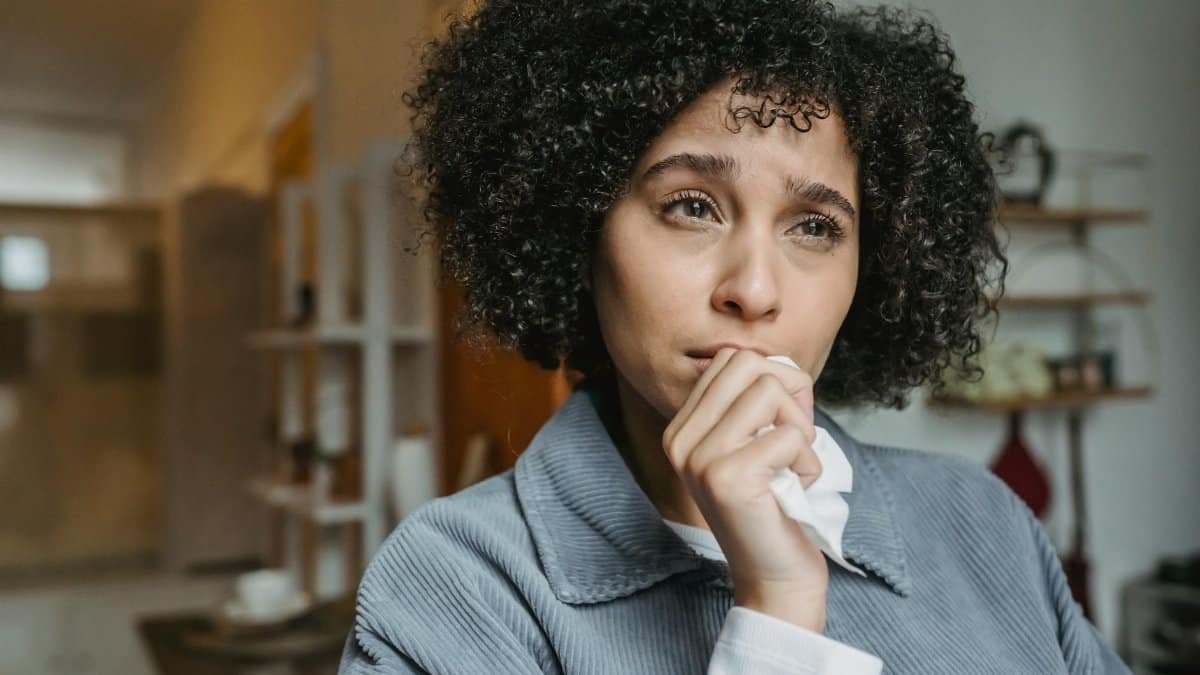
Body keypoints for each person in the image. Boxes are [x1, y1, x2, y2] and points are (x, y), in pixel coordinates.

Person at [339, 1, 1132, 672]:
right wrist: (778, 608)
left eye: (815, 226)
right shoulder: (451, 588)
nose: (753, 290)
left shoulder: (981, 521)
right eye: (691, 205)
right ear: (577, 227)